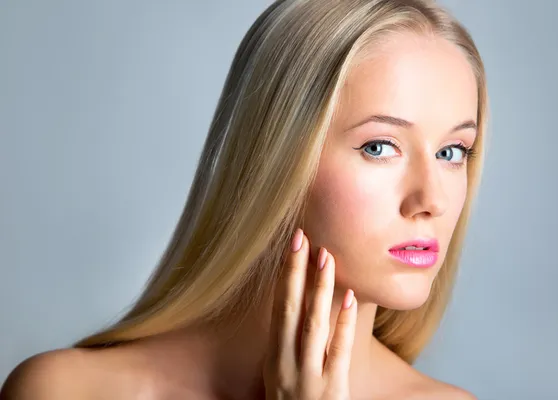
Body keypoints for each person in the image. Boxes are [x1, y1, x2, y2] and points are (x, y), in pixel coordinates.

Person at [1, 0, 488, 398]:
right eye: (379, 147)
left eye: (451, 152)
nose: (432, 200)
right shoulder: (63, 391)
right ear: (276, 157)